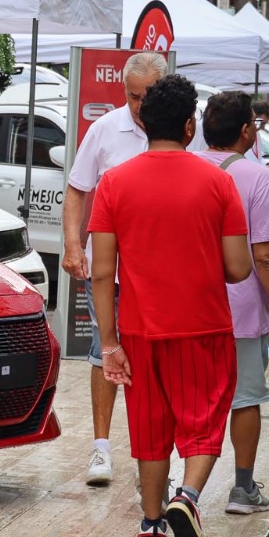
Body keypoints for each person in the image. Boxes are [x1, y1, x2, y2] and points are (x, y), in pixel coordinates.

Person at [89, 74, 253, 537]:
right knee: (204, 423)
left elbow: (102, 273)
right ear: (188, 126)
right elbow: (238, 268)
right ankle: (189, 497)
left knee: (150, 428)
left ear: (143, 123)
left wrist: (110, 343)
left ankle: (152, 526)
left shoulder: (114, 183)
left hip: (139, 329)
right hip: (203, 326)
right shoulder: (219, 183)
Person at [61, 51, 169, 488]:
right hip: (110, 270)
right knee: (102, 350)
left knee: (158, 358)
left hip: (162, 271)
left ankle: (155, 450)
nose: (140, 105)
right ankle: (101, 447)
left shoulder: (183, 131)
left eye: (148, 95)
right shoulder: (105, 129)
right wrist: (73, 245)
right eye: (132, 95)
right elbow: (76, 189)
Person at [194, 91, 269, 515]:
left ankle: (167, 486)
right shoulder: (259, 179)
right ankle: (242, 489)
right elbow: (266, 256)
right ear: (245, 131)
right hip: (241, 310)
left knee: (187, 399)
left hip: (185, 307)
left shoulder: (182, 169)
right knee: (245, 398)